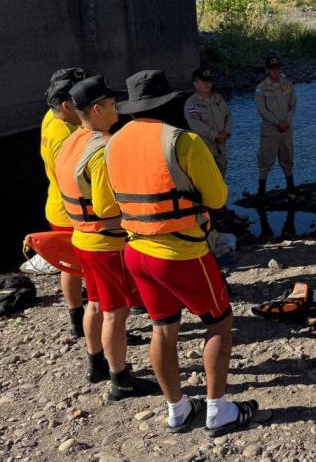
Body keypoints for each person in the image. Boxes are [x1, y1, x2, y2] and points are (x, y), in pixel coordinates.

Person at [106, 70, 257, 435]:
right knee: (219, 322)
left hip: (136, 252)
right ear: (166, 102)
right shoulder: (182, 141)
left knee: (163, 328)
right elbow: (218, 197)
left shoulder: (112, 142)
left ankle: (177, 409)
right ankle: (218, 410)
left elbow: (110, 200)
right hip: (181, 254)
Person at [55, 75, 159, 399]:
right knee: (116, 310)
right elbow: (105, 207)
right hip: (105, 243)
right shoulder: (101, 149)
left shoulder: (71, 141)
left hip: (81, 239)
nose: (118, 109)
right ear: (98, 108)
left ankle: (96, 363)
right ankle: (121, 380)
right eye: (113, 104)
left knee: (96, 302)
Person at [40, 67, 87, 336]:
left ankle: (76, 318)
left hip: (57, 206)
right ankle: (100, 321)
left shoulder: (52, 116)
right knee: (90, 266)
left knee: (71, 265)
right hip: (73, 212)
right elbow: (74, 179)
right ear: (67, 105)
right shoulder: (63, 135)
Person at [255, 53, 297, 196]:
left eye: (277, 68)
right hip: (270, 130)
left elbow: (293, 106)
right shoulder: (261, 88)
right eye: (272, 69)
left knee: (288, 158)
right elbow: (262, 110)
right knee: (265, 160)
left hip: (286, 129)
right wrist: (277, 122)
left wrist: (287, 121)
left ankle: (291, 187)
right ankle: (261, 191)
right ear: (267, 70)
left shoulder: (288, 85)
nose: (275, 71)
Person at [184, 68, 232, 176]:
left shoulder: (218, 98)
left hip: (221, 145)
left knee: (222, 174)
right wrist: (215, 135)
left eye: (209, 81)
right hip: (204, 146)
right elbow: (194, 123)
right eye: (204, 81)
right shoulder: (191, 103)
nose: (208, 84)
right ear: (195, 83)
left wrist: (227, 133)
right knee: (208, 176)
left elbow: (228, 115)